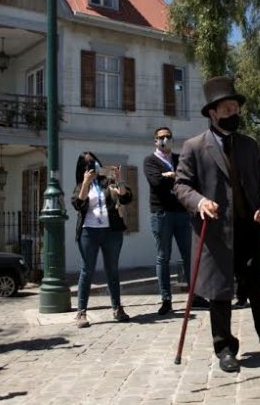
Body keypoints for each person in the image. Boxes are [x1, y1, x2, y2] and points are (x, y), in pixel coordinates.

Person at [174, 75, 260, 373]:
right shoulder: (194, 147)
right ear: (212, 112)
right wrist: (200, 201)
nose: (233, 114)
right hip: (216, 233)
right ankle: (225, 347)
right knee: (220, 292)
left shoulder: (250, 145)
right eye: (227, 110)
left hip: (250, 228)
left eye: (235, 109)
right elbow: (181, 186)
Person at [143, 127, 208, 315]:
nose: (165, 140)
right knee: (163, 257)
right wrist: (171, 178)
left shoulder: (179, 159)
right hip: (161, 214)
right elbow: (156, 183)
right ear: (155, 141)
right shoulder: (150, 161)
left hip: (182, 212)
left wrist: (171, 177)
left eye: (168, 137)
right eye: (161, 137)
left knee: (189, 255)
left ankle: (196, 296)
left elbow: (190, 181)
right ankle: (166, 299)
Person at [72, 151, 133, 328]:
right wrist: (85, 182)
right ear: (82, 169)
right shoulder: (80, 185)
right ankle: (81, 312)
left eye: (93, 164)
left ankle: (117, 308)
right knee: (87, 270)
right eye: (87, 165)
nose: (91, 168)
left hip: (111, 232)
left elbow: (126, 197)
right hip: (88, 232)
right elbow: (77, 203)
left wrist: (119, 178)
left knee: (112, 269)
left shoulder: (109, 183)